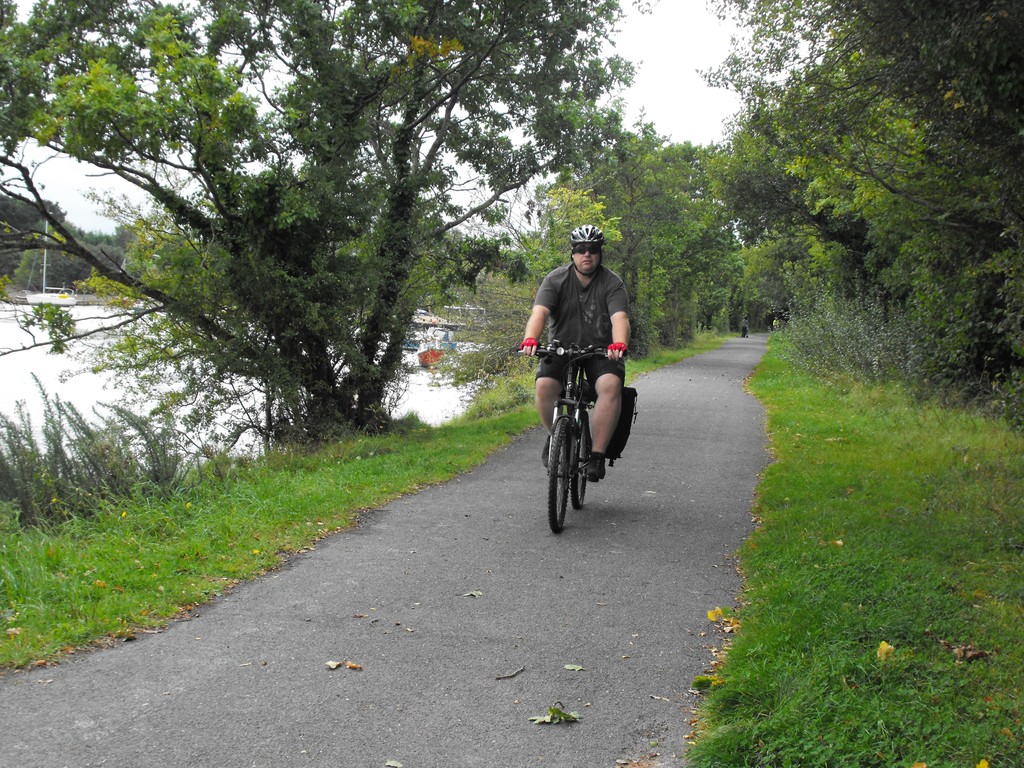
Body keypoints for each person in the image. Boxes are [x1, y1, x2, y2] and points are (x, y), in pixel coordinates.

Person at [519, 224, 630, 482]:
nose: (586, 254)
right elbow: (540, 313)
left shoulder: (612, 283)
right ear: (572, 253)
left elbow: (620, 317)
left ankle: (596, 456)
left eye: (592, 249)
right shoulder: (555, 279)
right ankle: (554, 435)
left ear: (600, 253)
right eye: (581, 249)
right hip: (560, 347)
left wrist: (619, 344)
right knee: (545, 385)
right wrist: (530, 339)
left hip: (600, 351)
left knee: (610, 385)